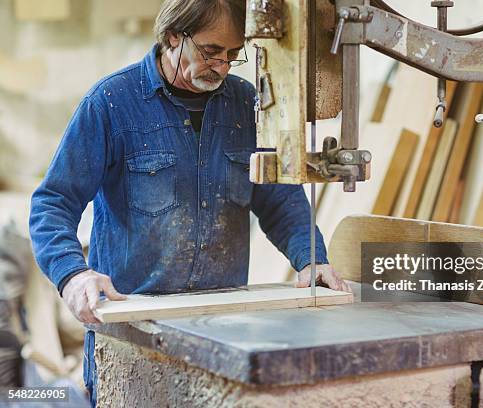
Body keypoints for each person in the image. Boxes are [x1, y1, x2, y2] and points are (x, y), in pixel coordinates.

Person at [29, 0, 351, 405]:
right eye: (211, 51)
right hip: (133, 334)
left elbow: (279, 201)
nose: (222, 66)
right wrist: (72, 275)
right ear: (171, 37)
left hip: (222, 336)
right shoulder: (111, 104)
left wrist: (311, 259)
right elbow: (53, 202)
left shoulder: (245, 105)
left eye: (233, 55)